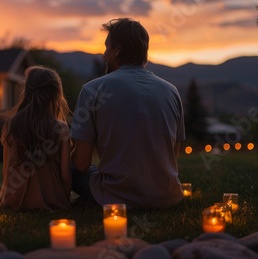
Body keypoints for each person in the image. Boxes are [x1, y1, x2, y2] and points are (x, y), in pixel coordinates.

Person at [70, 18, 185, 209]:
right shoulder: (171, 92)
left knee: (64, 164)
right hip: (166, 196)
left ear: (118, 49)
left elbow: (81, 164)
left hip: (116, 197)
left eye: (107, 48)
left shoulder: (92, 90)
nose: (104, 55)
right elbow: (172, 157)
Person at [0, 66, 72, 211]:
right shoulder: (61, 128)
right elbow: (65, 176)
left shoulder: (10, 124)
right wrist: (65, 200)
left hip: (13, 201)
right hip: (50, 201)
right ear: (56, 95)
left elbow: (6, 170)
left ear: (27, 91)